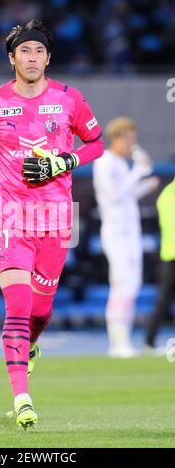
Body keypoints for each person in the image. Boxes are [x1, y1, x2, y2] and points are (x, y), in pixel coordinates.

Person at [0, 19, 104, 429]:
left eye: (39, 51)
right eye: (25, 51)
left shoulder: (70, 99)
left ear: (48, 57)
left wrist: (65, 160)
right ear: (12, 59)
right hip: (10, 215)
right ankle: (22, 397)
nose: (32, 57)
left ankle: (33, 345)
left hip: (56, 219)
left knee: (41, 311)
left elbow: (96, 143)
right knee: (19, 306)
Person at [93, 117, 159, 358]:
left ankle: (125, 339)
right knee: (121, 284)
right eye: (130, 139)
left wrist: (145, 185)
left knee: (133, 284)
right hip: (116, 231)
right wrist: (139, 171)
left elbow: (127, 195)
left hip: (131, 231)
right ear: (119, 138)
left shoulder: (121, 164)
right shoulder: (105, 162)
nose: (132, 144)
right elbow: (113, 195)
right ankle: (117, 342)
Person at [144, 179, 175, 352]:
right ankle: (149, 342)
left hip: (169, 255)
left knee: (163, 301)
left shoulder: (166, 194)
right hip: (171, 256)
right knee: (163, 302)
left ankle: (149, 342)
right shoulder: (168, 196)